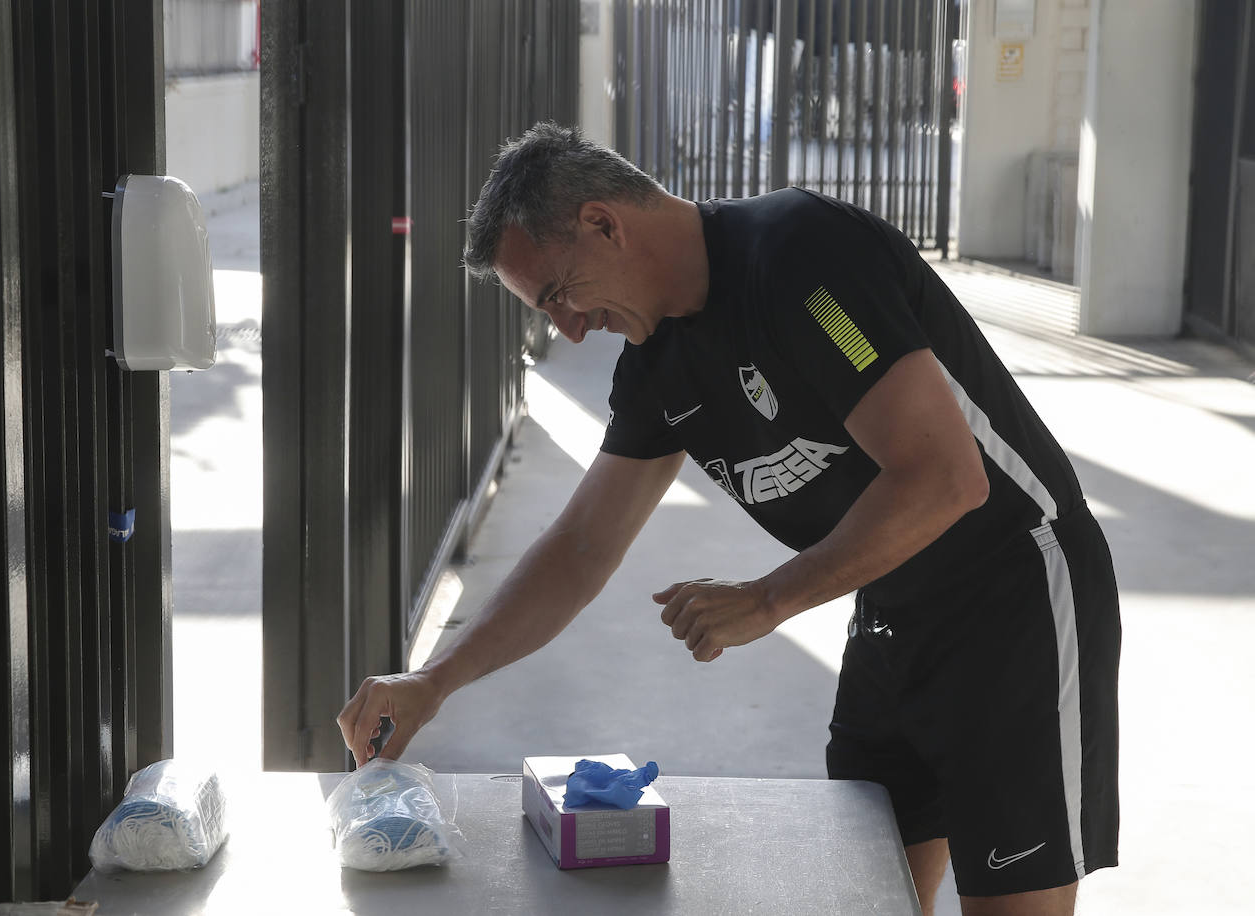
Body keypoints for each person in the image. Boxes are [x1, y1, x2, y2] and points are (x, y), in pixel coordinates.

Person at [337, 122, 1120, 916]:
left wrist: (770, 598)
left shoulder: (805, 265)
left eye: (558, 293)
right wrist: (436, 681)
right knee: (872, 892)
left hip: (1016, 593)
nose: (568, 328)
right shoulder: (656, 368)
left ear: (604, 223)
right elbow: (580, 547)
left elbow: (945, 478)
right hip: (892, 611)